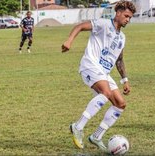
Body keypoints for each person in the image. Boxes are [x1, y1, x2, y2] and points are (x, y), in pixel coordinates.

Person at [61, 1, 136, 151]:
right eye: (126, 16)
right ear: (118, 12)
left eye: (130, 18)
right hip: (90, 65)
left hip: (104, 72)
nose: (128, 19)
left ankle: (96, 136)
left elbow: (119, 60)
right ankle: (78, 126)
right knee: (106, 92)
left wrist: (125, 80)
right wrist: (69, 40)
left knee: (120, 104)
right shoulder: (103, 24)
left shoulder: (122, 37)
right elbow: (80, 26)